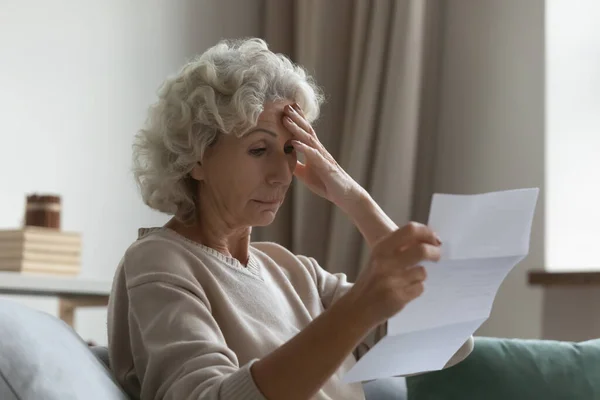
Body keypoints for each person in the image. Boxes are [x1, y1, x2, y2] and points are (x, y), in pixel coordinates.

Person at [107, 38, 473, 400]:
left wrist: (353, 197)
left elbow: (450, 338)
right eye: (258, 149)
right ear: (197, 157)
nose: (281, 174)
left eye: (288, 150)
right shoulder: (160, 261)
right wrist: (357, 309)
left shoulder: (294, 271)